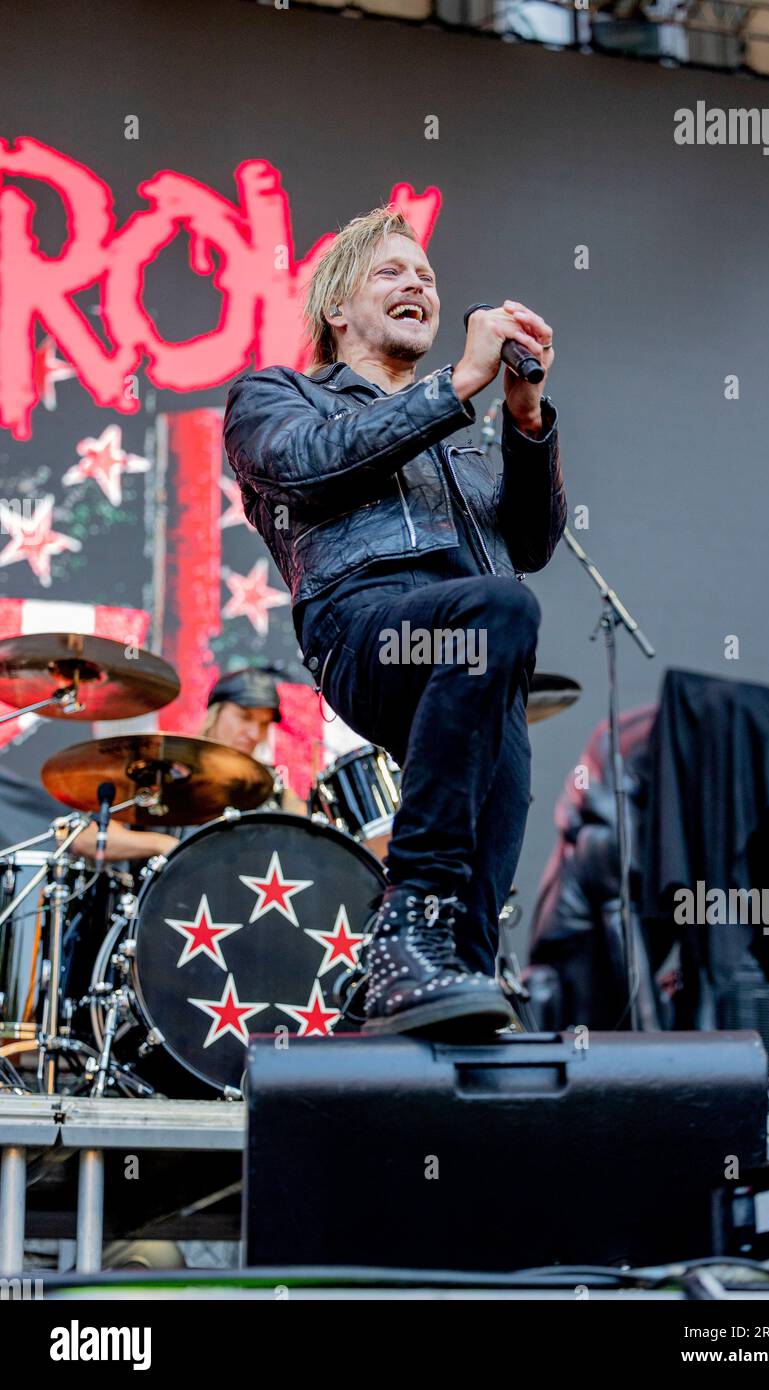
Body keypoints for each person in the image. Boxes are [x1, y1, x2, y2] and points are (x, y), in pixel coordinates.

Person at [223, 204, 566, 1036]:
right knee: (499, 607)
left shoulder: (463, 439)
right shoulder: (278, 396)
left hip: (479, 654)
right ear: (338, 311)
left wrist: (523, 425)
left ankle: (391, 1014)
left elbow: (530, 540)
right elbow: (309, 468)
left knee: (468, 954)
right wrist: (457, 387)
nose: (418, 282)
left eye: (428, 276)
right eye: (392, 272)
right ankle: (402, 926)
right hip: (366, 626)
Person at [72, 666, 300, 861]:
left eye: (263, 724)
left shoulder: (272, 785)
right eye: (245, 717)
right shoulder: (164, 767)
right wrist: (162, 845)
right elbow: (85, 837)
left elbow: (304, 844)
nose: (254, 733)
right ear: (216, 713)